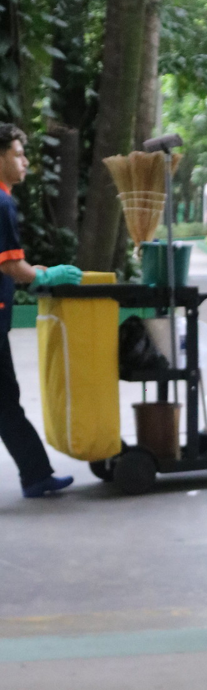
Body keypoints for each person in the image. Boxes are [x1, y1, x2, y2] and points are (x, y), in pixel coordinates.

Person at [0, 123, 81, 498]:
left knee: (5, 400)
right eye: (18, 154)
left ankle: (36, 475)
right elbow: (11, 265)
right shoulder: (2, 203)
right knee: (5, 400)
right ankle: (36, 475)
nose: (25, 162)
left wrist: (35, 272)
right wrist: (46, 275)